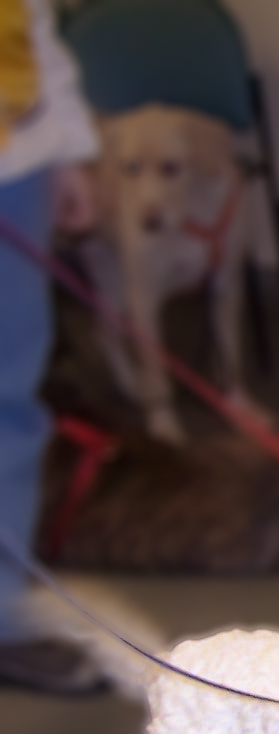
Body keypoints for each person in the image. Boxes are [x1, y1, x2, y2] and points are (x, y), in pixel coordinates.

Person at [0, 0, 103, 694]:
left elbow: (31, 24)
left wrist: (68, 150)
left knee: (11, 403)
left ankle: (3, 618)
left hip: (17, 170)